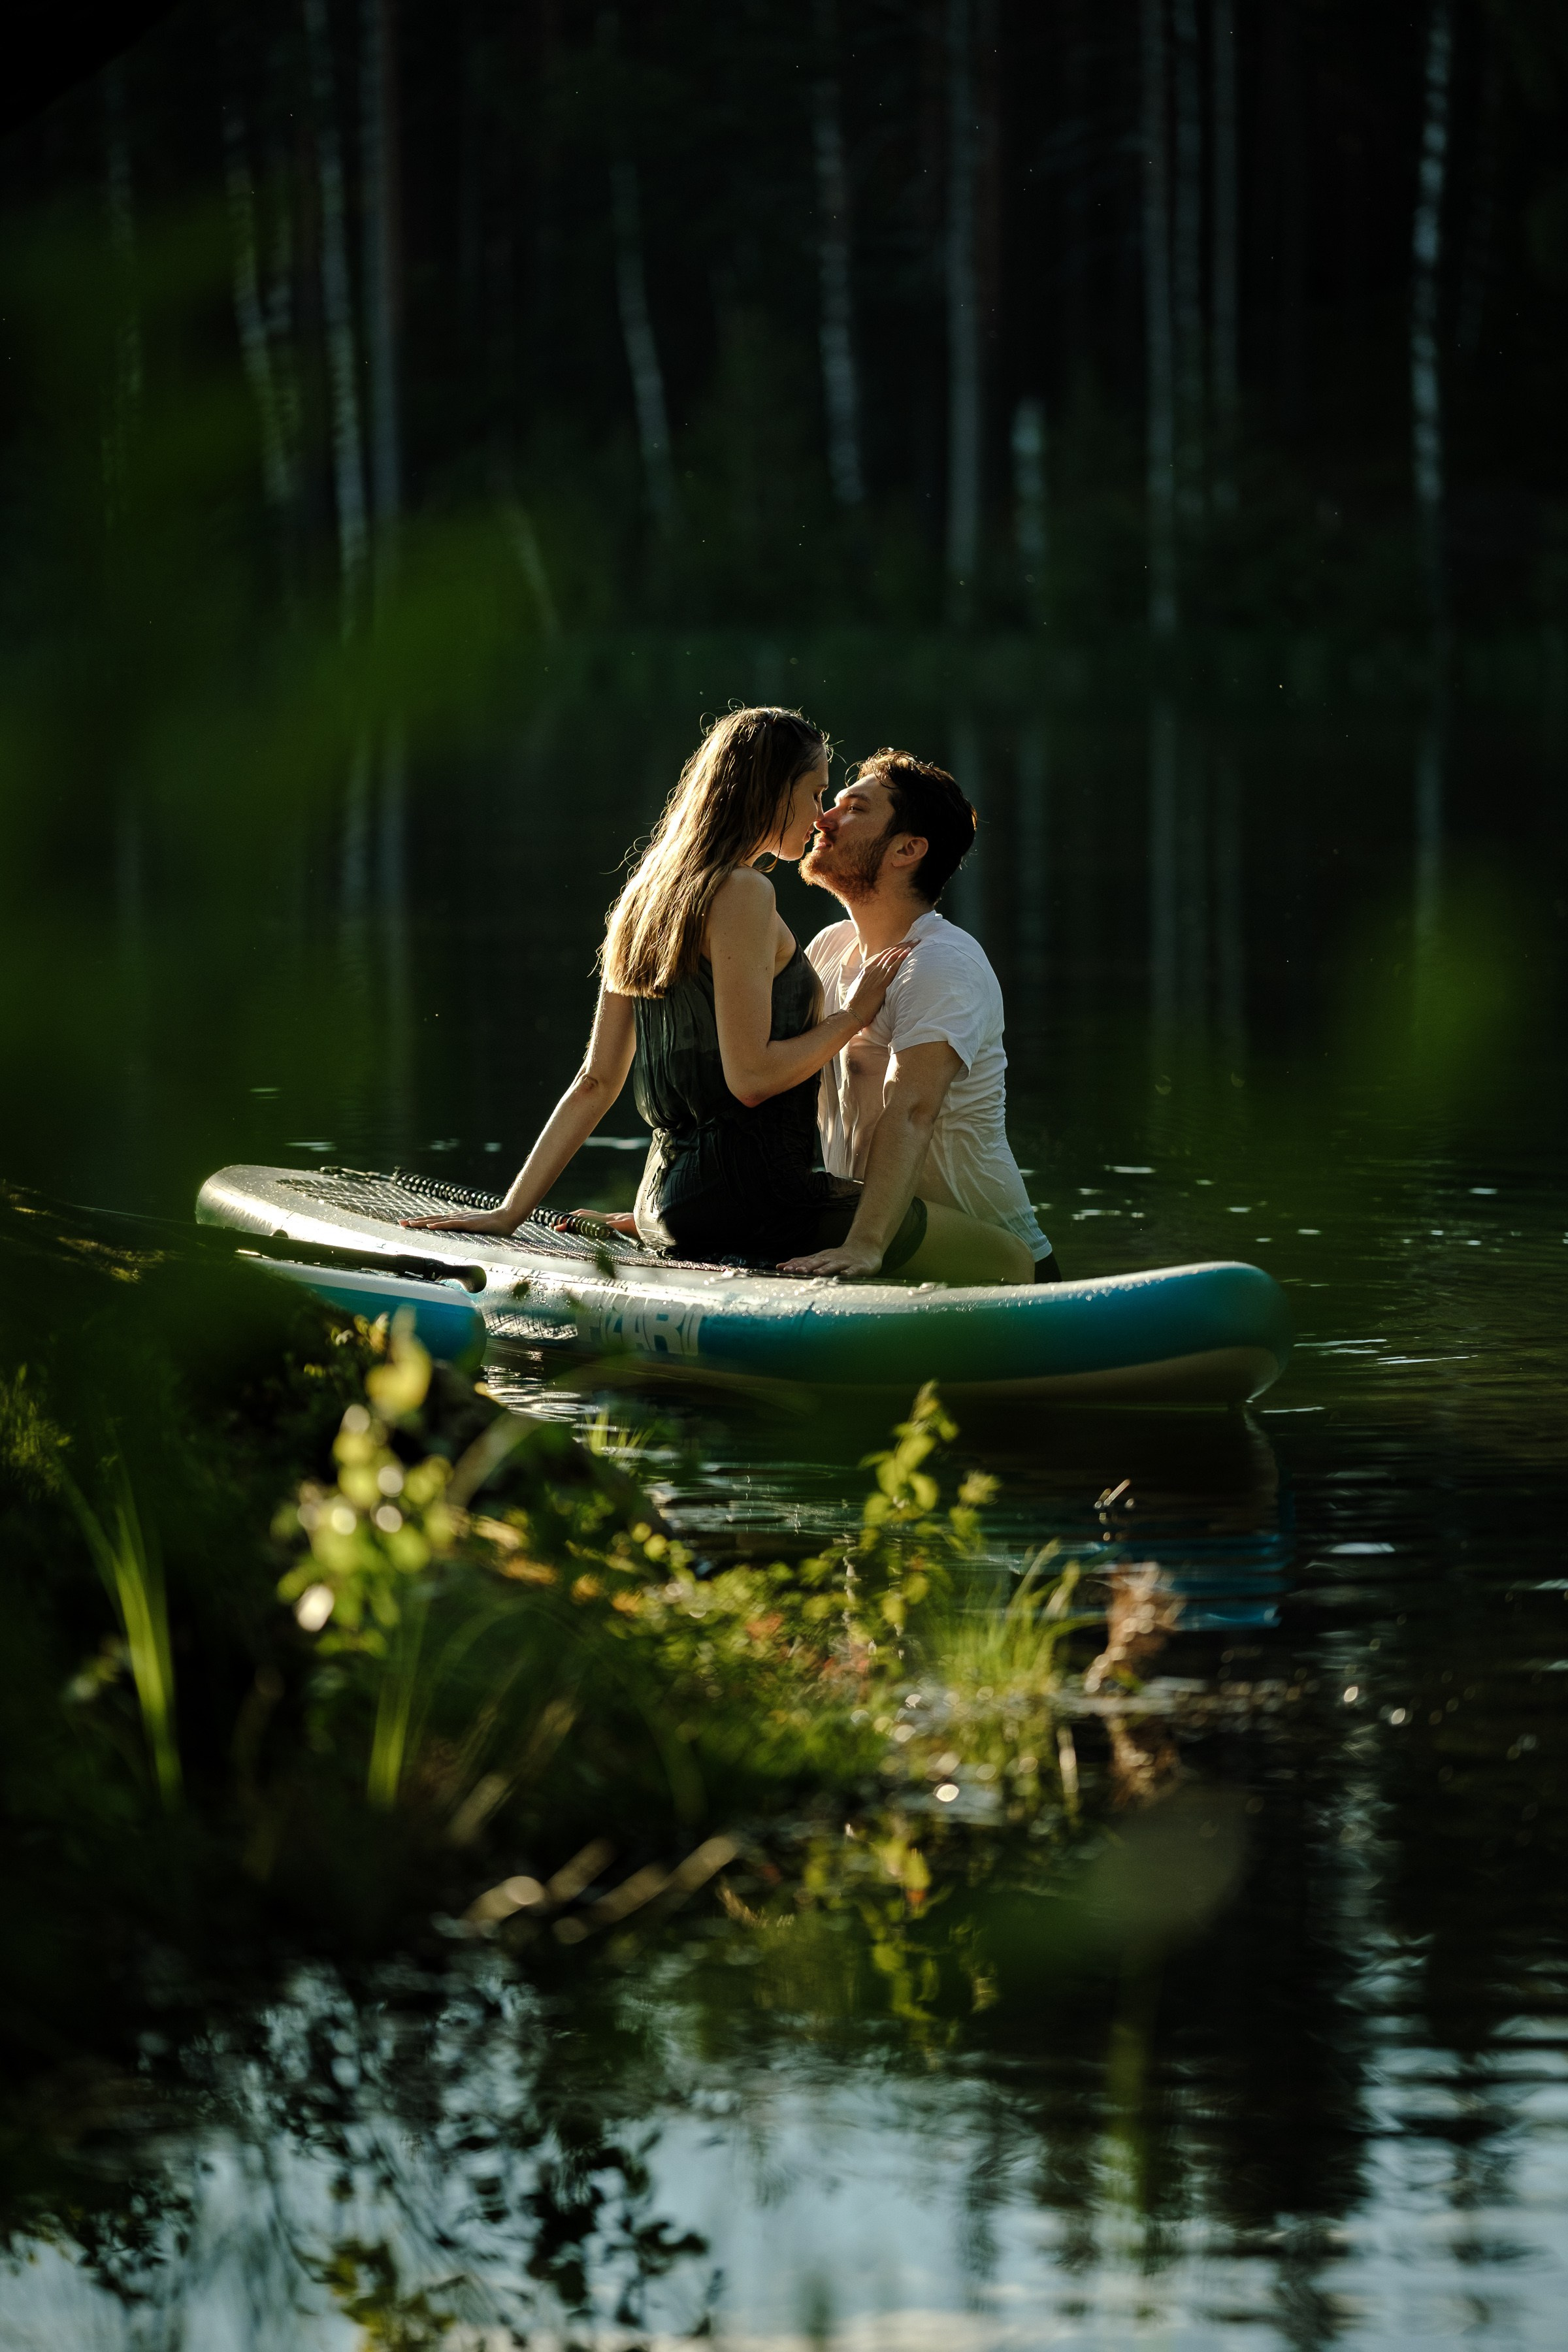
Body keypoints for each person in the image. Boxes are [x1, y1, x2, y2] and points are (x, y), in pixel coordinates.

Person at [402, 708, 1030, 1282]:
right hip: (752, 1201)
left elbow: (596, 1080)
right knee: (1013, 1260)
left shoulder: (643, 897)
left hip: (667, 1195)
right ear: (770, 789)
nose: (821, 818)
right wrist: (853, 1017)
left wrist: (513, 1210)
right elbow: (751, 1078)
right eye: (816, 794)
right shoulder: (749, 896)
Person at [781, 747, 1062, 1284]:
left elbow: (912, 1110)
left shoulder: (940, 963)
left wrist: (865, 1245)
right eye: (833, 803)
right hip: (881, 1248)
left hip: (999, 1267)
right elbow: (774, 1086)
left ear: (906, 849)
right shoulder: (828, 949)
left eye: (855, 808)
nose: (824, 818)